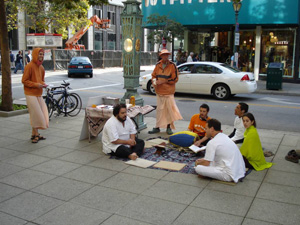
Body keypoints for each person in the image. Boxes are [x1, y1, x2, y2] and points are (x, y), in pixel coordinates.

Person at [148, 49, 183, 135]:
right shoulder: (158, 65)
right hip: (159, 92)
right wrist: (154, 82)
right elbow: (153, 76)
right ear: (161, 56)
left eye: (166, 55)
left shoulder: (172, 65)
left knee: (168, 111)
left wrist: (163, 81)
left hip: (168, 92)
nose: (165, 57)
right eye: (163, 55)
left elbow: (175, 79)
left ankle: (168, 127)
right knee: (160, 110)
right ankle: (157, 127)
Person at [22, 48, 49, 143]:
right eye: (39, 54)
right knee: (36, 115)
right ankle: (36, 135)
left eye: (42, 54)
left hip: (38, 93)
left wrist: (43, 84)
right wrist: (36, 85)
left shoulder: (41, 68)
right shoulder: (29, 66)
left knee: (41, 114)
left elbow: (41, 80)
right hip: (30, 94)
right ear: (34, 55)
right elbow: (24, 81)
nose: (41, 56)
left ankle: (34, 134)